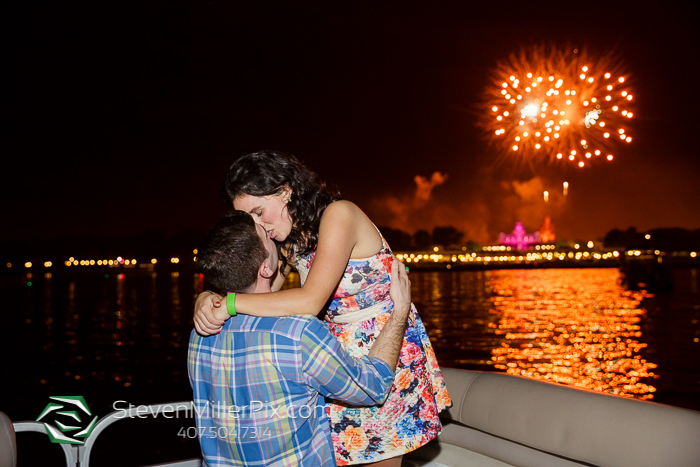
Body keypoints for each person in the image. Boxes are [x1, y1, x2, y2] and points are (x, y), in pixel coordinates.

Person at [195, 150, 452, 466]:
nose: (258, 225)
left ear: (286, 191)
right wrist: (209, 297)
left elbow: (310, 300)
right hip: (337, 362)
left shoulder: (339, 215)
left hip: (386, 350)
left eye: (260, 211)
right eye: (250, 219)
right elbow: (265, 293)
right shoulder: (289, 239)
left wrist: (228, 304)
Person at [189, 210, 414, 467]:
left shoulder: (200, 334)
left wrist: (207, 295)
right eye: (264, 235)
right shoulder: (299, 334)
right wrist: (400, 311)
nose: (271, 234)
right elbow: (373, 388)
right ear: (266, 267)